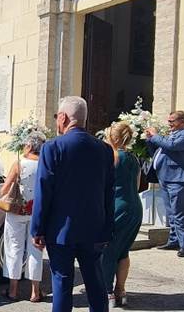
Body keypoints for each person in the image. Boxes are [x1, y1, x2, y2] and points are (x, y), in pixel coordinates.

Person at [31, 96, 114, 312]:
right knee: (96, 283)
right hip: (94, 228)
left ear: (63, 117)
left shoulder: (52, 147)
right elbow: (108, 192)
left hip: (61, 230)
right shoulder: (104, 149)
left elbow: (44, 191)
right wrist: (107, 229)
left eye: (57, 117)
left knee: (62, 284)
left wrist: (37, 229)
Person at [1, 130, 47, 302]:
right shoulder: (45, 164)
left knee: (13, 247)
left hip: (17, 211)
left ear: (29, 145)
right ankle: (35, 292)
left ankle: (13, 290)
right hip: (37, 212)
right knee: (36, 250)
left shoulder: (19, 163)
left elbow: (4, 190)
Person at [101, 122, 143, 308]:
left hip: (117, 207)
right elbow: (138, 183)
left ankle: (107, 292)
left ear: (113, 138)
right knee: (123, 250)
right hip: (134, 207)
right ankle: (121, 290)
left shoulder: (112, 157)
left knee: (108, 250)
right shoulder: (134, 158)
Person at [145, 110, 184, 257]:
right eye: (169, 121)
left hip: (179, 179)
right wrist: (150, 140)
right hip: (165, 177)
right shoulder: (169, 136)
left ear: (182, 122)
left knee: (180, 214)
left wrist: (156, 136)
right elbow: (157, 151)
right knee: (171, 213)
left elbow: (172, 146)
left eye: (172, 121)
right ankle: (173, 241)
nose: (169, 124)